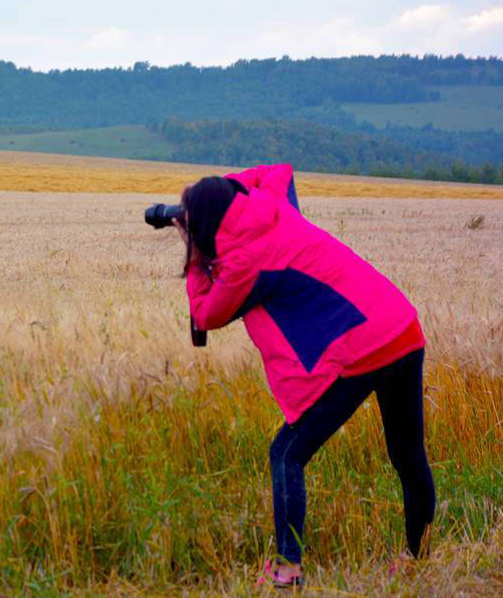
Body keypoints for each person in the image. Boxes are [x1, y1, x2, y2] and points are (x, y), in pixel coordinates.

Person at [173, 165, 435, 588]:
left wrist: (195, 256)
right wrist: (218, 189)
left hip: (362, 349)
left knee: (286, 454)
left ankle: (288, 568)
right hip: (401, 326)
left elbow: (204, 314)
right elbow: (277, 170)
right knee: (408, 455)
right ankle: (419, 557)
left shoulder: (244, 264)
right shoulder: (273, 204)